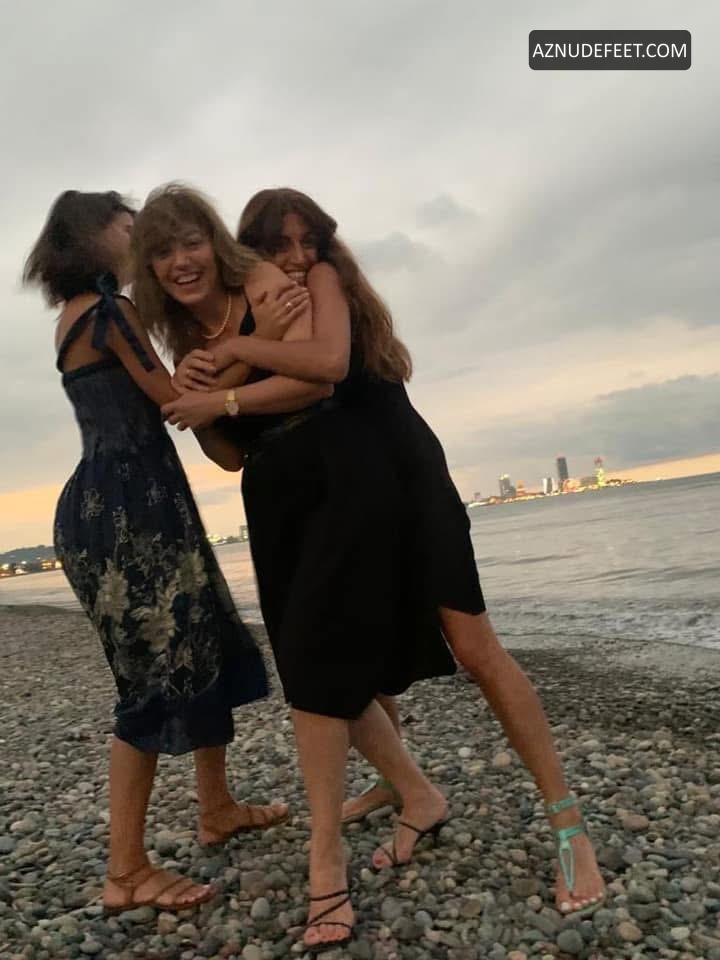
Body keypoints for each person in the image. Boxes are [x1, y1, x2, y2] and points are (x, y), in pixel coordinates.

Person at [172, 186, 607, 918]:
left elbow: (329, 363)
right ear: (247, 250)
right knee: (350, 656)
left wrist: (230, 361)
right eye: (279, 245)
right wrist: (217, 372)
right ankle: (404, 790)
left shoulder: (321, 282)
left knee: (475, 647)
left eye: (308, 240)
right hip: (345, 494)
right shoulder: (252, 313)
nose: (297, 257)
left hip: (407, 478)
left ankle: (570, 827)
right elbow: (230, 449)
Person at [135, 184, 454, 951]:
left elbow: (319, 374)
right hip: (272, 495)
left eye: (191, 242)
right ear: (150, 268)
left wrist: (229, 382)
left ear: (215, 241)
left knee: (313, 670)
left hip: (337, 473)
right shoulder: (184, 334)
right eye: (163, 252)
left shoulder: (265, 283)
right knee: (312, 665)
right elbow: (225, 453)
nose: (182, 261)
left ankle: (325, 862)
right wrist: (211, 398)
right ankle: (418, 794)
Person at [22, 190, 287, 915]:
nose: (140, 235)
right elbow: (174, 401)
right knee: (148, 684)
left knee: (205, 646)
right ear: (93, 236)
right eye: (129, 225)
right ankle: (125, 872)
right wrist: (256, 343)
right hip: (127, 514)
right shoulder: (110, 311)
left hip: (128, 505)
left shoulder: (77, 313)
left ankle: (217, 808)